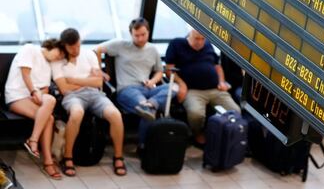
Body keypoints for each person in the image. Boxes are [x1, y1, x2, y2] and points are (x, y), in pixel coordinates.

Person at [51, 28, 126, 176]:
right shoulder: (58, 61)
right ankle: (68, 157)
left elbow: (98, 82)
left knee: (115, 115)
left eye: (78, 46)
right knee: (77, 113)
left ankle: (118, 157)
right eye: (72, 47)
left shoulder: (89, 54)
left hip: (95, 94)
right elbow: (64, 89)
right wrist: (87, 81)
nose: (76, 50)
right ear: (64, 46)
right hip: (72, 96)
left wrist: (72, 80)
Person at [95, 17, 174, 150]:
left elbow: (159, 72)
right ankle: (143, 146)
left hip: (148, 89)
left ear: (148, 32)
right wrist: (99, 70)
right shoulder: (121, 45)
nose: (140, 38)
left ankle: (150, 104)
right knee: (148, 111)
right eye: (136, 35)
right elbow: (96, 49)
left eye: (143, 35)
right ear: (131, 34)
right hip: (127, 89)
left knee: (173, 87)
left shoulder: (153, 50)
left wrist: (152, 81)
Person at [165, 27, 240, 145]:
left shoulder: (208, 45)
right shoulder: (177, 44)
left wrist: (221, 81)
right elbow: (169, 69)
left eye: (202, 39)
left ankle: (223, 138)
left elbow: (217, 66)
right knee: (196, 114)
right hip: (192, 91)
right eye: (196, 38)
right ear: (190, 34)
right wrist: (181, 84)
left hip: (215, 89)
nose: (199, 42)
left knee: (235, 111)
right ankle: (197, 133)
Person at [5, 39, 65, 180]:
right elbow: (25, 73)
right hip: (16, 96)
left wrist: (38, 95)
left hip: (33, 99)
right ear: (53, 46)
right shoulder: (30, 48)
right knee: (49, 108)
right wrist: (34, 91)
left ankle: (43, 154)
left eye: (63, 56)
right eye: (60, 52)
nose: (60, 57)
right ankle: (36, 146)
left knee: (49, 116)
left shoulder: (49, 65)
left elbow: (44, 89)